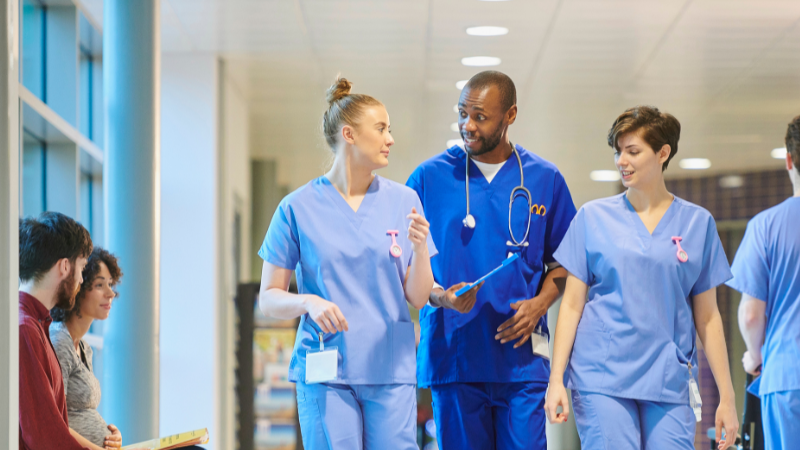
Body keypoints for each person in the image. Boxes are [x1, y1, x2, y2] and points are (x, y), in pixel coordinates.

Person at [544, 106, 739, 450]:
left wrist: (727, 397)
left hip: (669, 378)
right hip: (602, 376)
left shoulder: (698, 223)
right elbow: (572, 305)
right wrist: (556, 379)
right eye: (618, 151)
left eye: (633, 151)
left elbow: (708, 317)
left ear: (663, 153)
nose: (622, 160)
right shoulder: (593, 217)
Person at [257, 77, 436, 449]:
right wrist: (308, 301)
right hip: (326, 371)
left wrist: (420, 252)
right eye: (381, 128)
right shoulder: (296, 208)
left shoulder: (405, 201)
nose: (390, 139)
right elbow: (269, 297)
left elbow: (418, 297)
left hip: (389, 370)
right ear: (349, 134)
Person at [406, 70, 576, 449]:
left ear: (510, 115)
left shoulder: (545, 178)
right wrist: (441, 296)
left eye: (480, 117)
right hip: (455, 357)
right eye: (463, 113)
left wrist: (540, 303)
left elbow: (567, 264)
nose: (468, 125)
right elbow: (406, 266)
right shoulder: (428, 178)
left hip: (522, 361)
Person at [727, 115, 800, 449]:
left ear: (788, 160)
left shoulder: (766, 226)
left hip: (787, 376)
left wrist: (754, 355)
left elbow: (752, 314)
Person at [18, 211, 101, 450]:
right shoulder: (26, 330)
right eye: (82, 268)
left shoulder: (35, 325)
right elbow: (45, 438)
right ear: (65, 266)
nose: (81, 280)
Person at [50, 248, 124, 449]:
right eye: (99, 285)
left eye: (110, 284)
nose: (110, 293)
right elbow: (55, 422)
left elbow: (81, 414)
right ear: (78, 287)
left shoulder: (84, 348)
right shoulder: (59, 340)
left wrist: (111, 437)